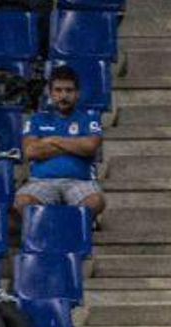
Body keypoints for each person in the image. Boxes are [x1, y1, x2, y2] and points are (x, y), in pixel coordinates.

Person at [14, 66, 106, 222]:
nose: (64, 95)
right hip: (42, 181)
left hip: (80, 181)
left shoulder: (89, 118)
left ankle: (69, 231)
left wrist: (52, 140)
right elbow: (31, 151)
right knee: (22, 202)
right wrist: (75, 145)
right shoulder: (37, 119)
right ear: (50, 93)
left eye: (69, 90)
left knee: (95, 202)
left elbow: (90, 147)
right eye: (58, 90)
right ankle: (50, 233)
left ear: (77, 94)